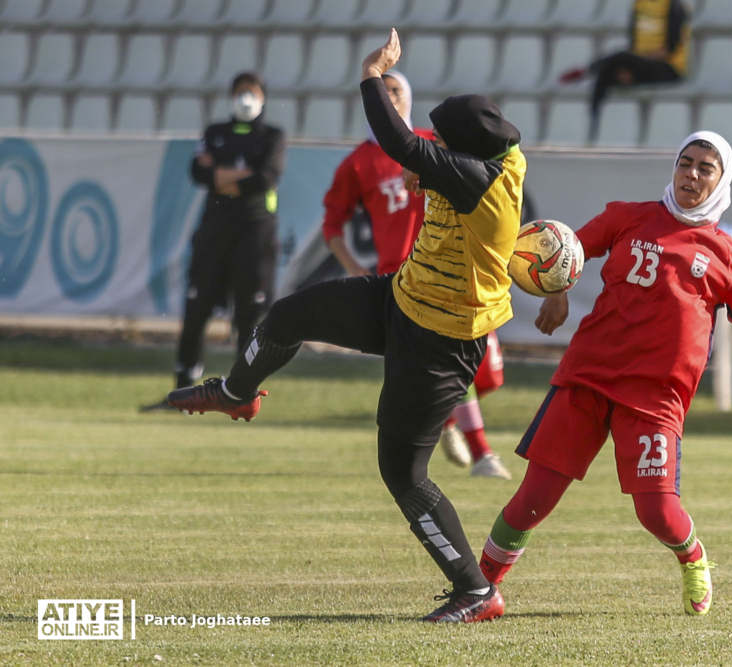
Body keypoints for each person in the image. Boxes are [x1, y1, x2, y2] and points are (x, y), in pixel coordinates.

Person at [167, 30, 523, 623]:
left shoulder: (481, 182)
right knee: (288, 315)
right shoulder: (490, 161)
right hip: (404, 299)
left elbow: (400, 142)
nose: (432, 140)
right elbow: (429, 160)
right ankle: (236, 392)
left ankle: (477, 592)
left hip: (443, 338)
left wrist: (370, 73)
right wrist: (426, 174)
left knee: (402, 472)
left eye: (442, 137)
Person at [477, 131, 732, 618]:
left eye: (706, 167)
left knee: (658, 515)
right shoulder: (628, 216)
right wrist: (555, 290)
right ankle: (478, 592)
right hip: (588, 375)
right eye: (686, 162)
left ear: (722, 181)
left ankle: (693, 555)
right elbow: (563, 251)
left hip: (655, 397)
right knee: (531, 501)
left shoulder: (724, 252)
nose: (691, 173)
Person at [321, 70, 511, 480]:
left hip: (460, 271)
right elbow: (332, 225)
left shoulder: (434, 142)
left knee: (490, 374)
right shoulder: (358, 162)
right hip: (406, 282)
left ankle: (445, 421)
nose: (389, 98)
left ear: (408, 96)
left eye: (396, 90)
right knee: (453, 368)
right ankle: (483, 455)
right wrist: (355, 268)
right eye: (382, 91)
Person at [141, 72, 286, 412]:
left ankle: (240, 395)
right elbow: (198, 172)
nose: (245, 98)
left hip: (254, 235)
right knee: (196, 309)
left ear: (263, 96)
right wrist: (239, 176)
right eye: (239, 92)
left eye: (251, 92)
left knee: (248, 317)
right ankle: (181, 393)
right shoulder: (215, 132)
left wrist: (221, 175)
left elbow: (266, 179)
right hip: (214, 232)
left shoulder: (273, 136)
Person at [560, 0, 691, 138]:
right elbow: (633, 45)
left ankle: (587, 70)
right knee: (607, 75)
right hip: (641, 64)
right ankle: (595, 125)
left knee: (620, 58)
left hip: (668, 68)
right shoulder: (639, 5)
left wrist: (636, 63)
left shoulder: (674, 6)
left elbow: (669, 50)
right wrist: (630, 68)